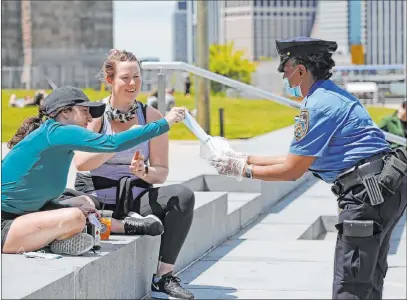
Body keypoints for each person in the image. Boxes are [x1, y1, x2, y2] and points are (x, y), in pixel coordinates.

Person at [208, 37, 407, 299]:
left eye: (286, 71)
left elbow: (292, 171)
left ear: (301, 70)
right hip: (383, 185)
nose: (285, 78)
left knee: (351, 286)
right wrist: (246, 159)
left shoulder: (317, 105)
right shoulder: (331, 94)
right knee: (368, 280)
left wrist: (241, 171)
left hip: (366, 194)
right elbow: (298, 158)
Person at [1, 85, 185, 257]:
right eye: (84, 111)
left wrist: (70, 205)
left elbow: (35, 199)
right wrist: (164, 123)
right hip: (4, 226)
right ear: (65, 112)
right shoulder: (56, 131)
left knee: (82, 202)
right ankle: (56, 240)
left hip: (23, 218)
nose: (89, 119)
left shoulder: (56, 142)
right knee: (75, 217)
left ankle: (56, 239)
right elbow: (112, 143)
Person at [72, 49, 195, 300]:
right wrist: (122, 141)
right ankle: (114, 223)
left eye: (137, 77)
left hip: (134, 197)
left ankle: (164, 276)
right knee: (71, 208)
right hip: (95, 196)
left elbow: (161, 173)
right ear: (110, 80)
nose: (132, 84)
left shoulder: (152, 117)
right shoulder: (94, 115)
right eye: (125, 78)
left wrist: (144, 171)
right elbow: (82, 163)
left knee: (182, 196)